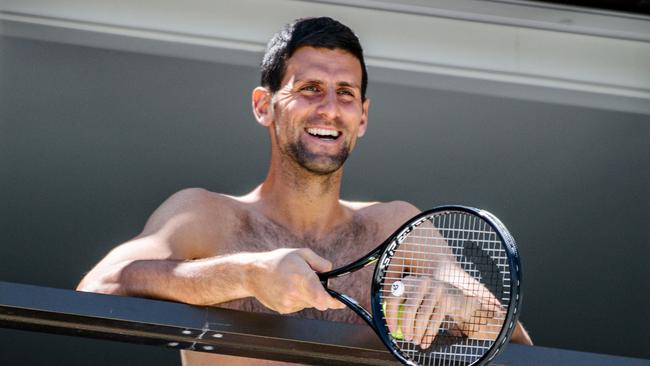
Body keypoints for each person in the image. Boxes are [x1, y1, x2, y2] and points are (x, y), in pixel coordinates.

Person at [77, 17, 532, 365]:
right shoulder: (205, 216)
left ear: (363, 117)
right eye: (310, 89)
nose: (330, 109)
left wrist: (456, 302)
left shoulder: (394, 227)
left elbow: (516, 341)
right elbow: (95, 292)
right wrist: (247, 275)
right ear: (264, 106)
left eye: (346, 93)